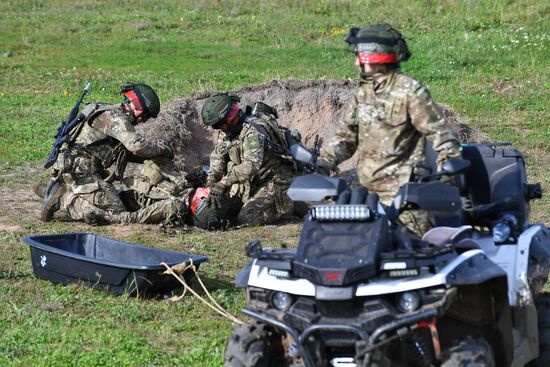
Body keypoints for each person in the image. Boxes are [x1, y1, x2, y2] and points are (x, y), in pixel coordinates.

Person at [317, 24, 462, 235]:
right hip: (364, 196)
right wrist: (321, 164)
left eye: (360, 55)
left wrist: (445, 181)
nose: (357, 61)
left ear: (376, 56)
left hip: (405, 203)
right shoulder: (363, 94)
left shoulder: (411, 92)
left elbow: (445, 140)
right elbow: (345, 139)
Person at [39, 83, 183, 225]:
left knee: (115, 200)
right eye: (144, 115)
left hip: (73, 167)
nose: (143, 120)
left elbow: (127, 152)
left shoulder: (108, 110)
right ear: (135, 105)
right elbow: (136, 146)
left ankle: (56, 190)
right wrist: (162, 149)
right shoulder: (115, 117)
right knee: (116, 212)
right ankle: (65, 200)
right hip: (81, 171)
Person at [200, 94, 297, 226]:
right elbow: (218, 157)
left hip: (272, 179)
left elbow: (251, 166)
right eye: (215, 127)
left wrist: (223, 183)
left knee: (247, 217)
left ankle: (286, 206)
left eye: (218, 125)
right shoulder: (227, 131)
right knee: (225, 211)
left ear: (229, 117)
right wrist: (211, 184)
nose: (218, 129)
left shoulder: (253, 132)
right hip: (251, 182)